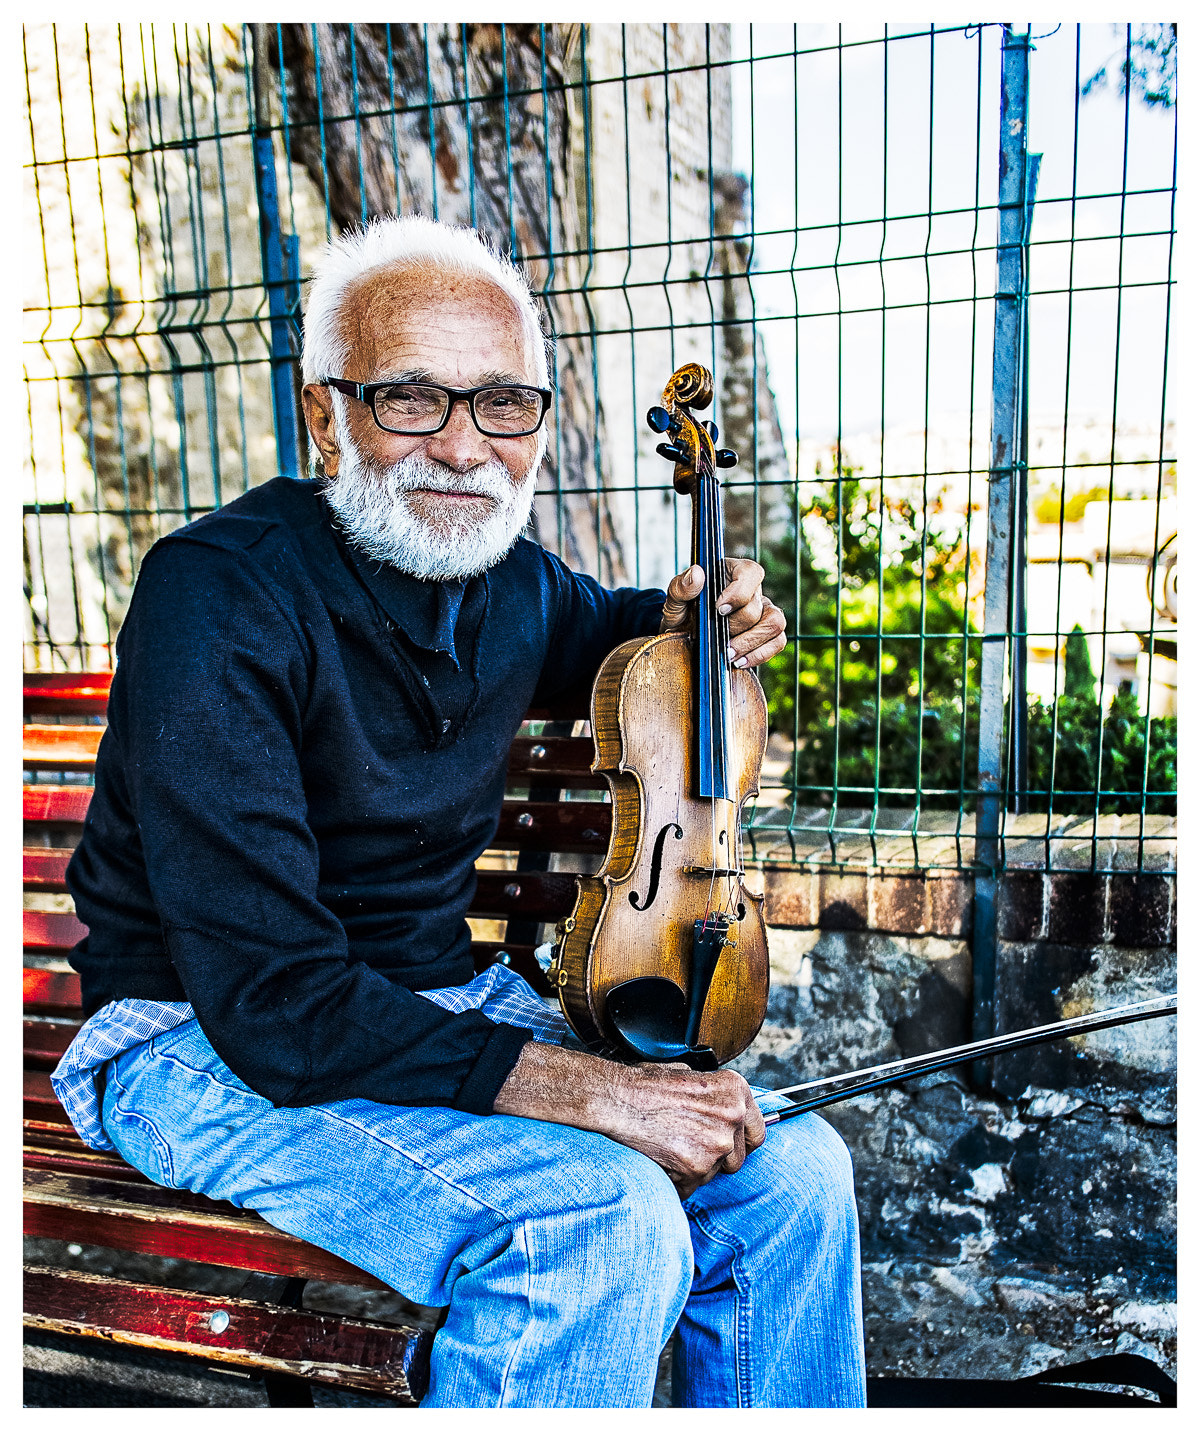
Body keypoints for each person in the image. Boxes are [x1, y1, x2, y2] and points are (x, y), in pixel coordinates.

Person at [53, 215, 867, 1409]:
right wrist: (594, 1090)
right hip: (195, 1039)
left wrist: (713, 613)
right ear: (325, 413)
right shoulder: (218, 595)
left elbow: (637, 631)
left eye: (504, 405)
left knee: (795, 1172)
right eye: (412, 399)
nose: (466, 448)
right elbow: (275, 1002)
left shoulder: (513, 583)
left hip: (430, 1007)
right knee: (596, 1219)